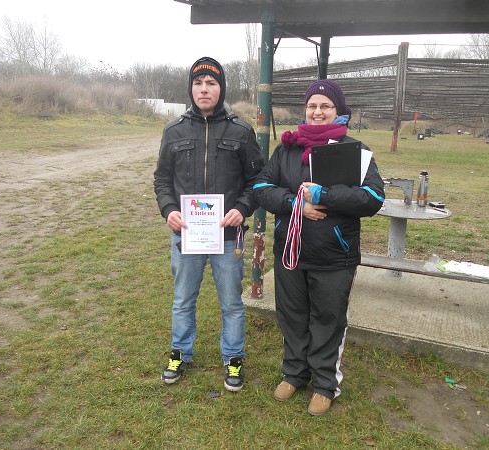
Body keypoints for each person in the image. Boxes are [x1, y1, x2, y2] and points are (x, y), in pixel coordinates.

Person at [253, 79, 385, 415]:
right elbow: (261, 187)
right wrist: (295, 203)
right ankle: (294, 373)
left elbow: (373, 198)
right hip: (291, 251)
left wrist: (325, 194)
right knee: (292, 314)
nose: (317, 111)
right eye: (312, 105)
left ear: (338, 111)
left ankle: (325, 384)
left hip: (333, 254)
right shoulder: (287, 150)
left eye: (326, 106)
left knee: (328, 319)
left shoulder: (355, 151)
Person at [154, 56, 264, 392]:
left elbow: (258, 181)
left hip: (227, 237)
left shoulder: (241, 131)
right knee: (183, 300)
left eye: (211, 83)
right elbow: (162, 179)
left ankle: (233, 357)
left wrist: (242, 208)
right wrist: (169, 209)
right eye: (198, 83)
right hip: (186, 236)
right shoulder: (174, 131)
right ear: (191, 88)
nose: (204, 89)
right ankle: (180, 352)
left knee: (231, 302)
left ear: (221, 88)